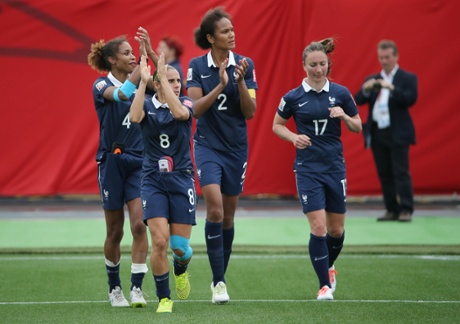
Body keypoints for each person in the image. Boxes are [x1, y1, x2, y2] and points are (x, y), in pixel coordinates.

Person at [272, 38, 362, 300]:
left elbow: (357, 126)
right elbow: (277, 125)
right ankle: (324, 286)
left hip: (334, 166)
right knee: (319, 228)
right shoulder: (293, 97)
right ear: (304, 66)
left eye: (322, 64)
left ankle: (329, 265)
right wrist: (293, 138)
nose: (318, 69)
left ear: (328, 64)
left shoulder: (342, 93)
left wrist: (344, 116)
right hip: (307, 168)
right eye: (313, 65)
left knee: (336, 231)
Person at [186, 7, 258, 304]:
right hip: (207, 146)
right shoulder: (196, 65)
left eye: (232, 29)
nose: (232, 34)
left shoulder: (245, 64)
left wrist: (240, 81)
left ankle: (220, 276)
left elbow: (250, 112)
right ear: (211, 38)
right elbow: (194, 109)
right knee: (214, 209)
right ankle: (218, 282)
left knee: (227, 217)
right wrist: (220, 86)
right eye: (225, 31)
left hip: (236, 148)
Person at [130, 53, 196, 314]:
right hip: (153, 181)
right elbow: (134, 118)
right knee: (159, 242)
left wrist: (162, 76)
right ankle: (164, 298)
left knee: (179, 249)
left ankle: (181, 269)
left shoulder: (185, 103)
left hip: (181, 179)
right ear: (158, 84)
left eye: (178, 80)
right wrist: (144, 82)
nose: (177, 84)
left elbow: (179, 113)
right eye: (170, 80)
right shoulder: (146, 104)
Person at [88, 35, 148, 307]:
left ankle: (137, 289)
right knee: (116, 231)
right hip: (111, 162)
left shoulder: (142, 84)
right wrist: (144, 62)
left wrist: (148, 57)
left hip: (138, 161)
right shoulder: (102, 84)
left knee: (139, 225)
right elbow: (122, 93)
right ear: (112, 60)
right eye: (127, 53)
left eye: (133, 52)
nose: (132, 56)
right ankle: (115, 288)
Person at [354, 40, 418, 222]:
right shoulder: (372, 79)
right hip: (377, 132)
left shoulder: (407, 78)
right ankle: (392, 209)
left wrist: (392, 88)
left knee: (401, 172)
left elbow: (411, 99)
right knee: (384, 173)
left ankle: (406, 210)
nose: (384, 61)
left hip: (397, 132)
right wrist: (366, 89)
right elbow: (358, 99)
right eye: (381, 57)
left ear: (396, 56)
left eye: (388, 57)